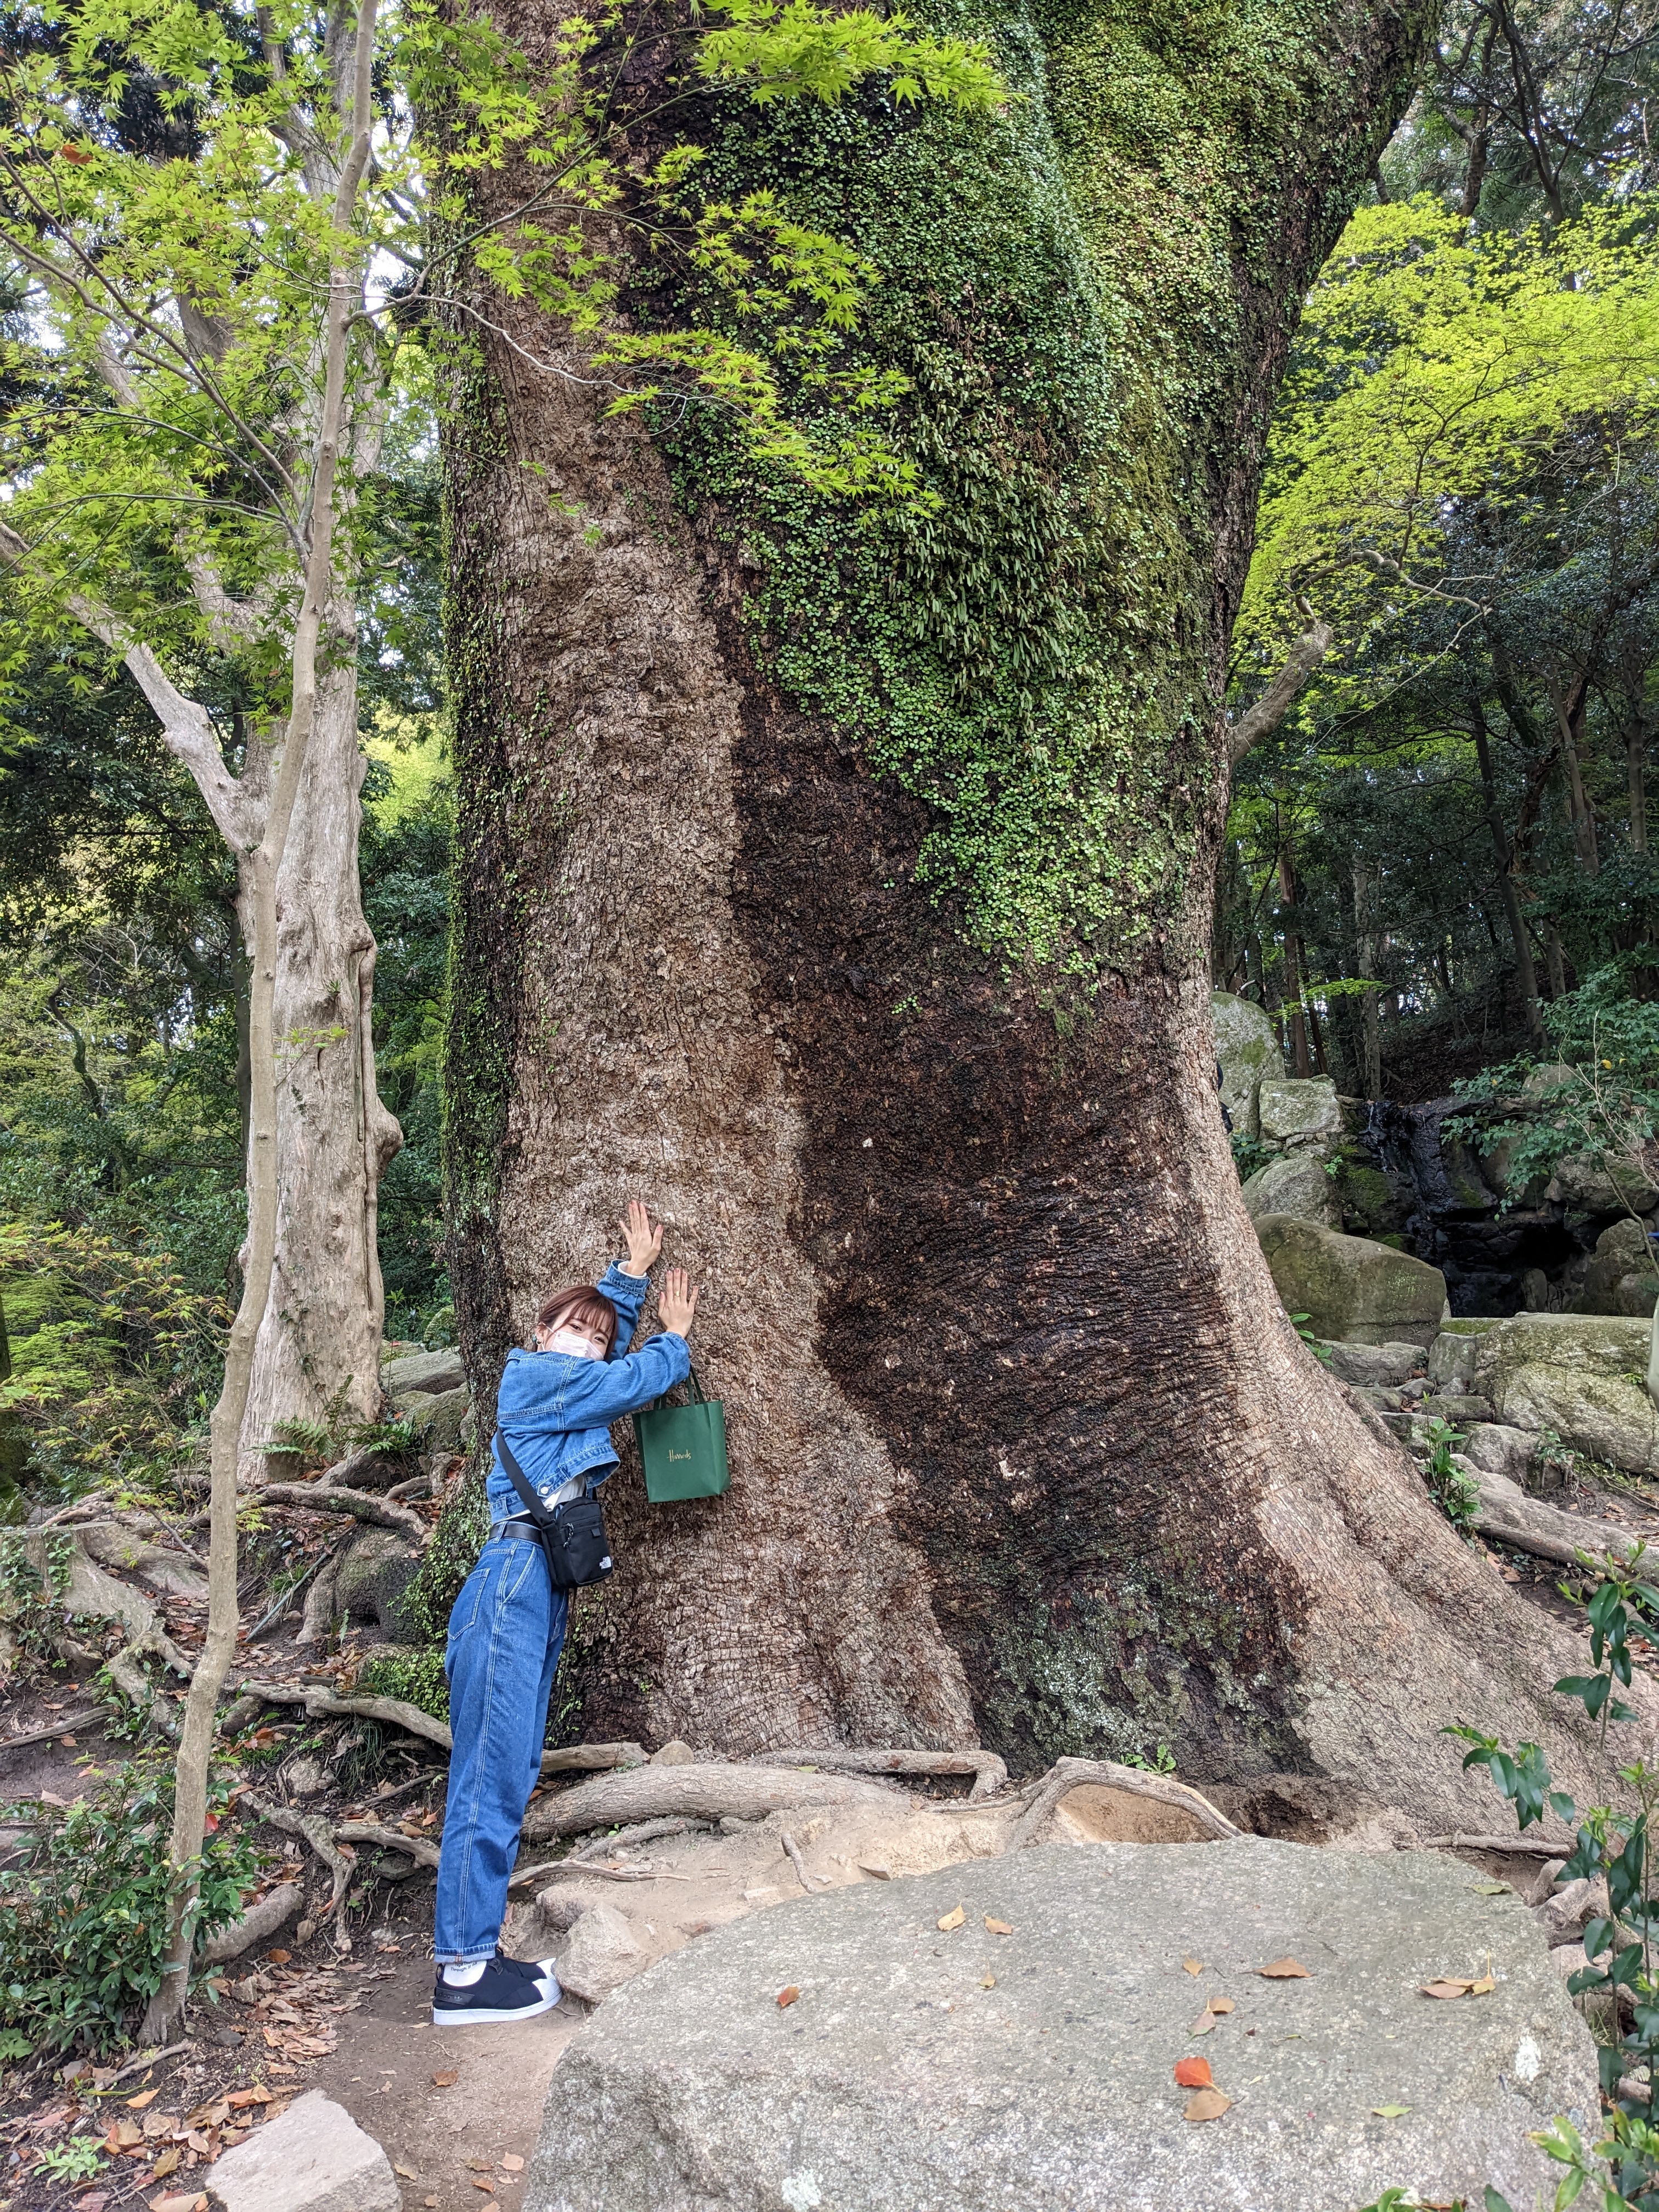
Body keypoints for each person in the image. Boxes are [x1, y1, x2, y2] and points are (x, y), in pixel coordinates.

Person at [431, 1199, 699, 2026]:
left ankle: (473, 1959)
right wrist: (673, 1337)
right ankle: (464, 1976)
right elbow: (626, 1379)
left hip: (535, 1584)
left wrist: (630, 1277)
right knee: (490, 1771)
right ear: (540, 1334)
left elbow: (603, 1363)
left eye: (594, 1332)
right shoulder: (534, 1375)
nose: (584, 1341)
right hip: (512, 1580)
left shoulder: (561, 1380)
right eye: (569, 1328)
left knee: (507, 1767)